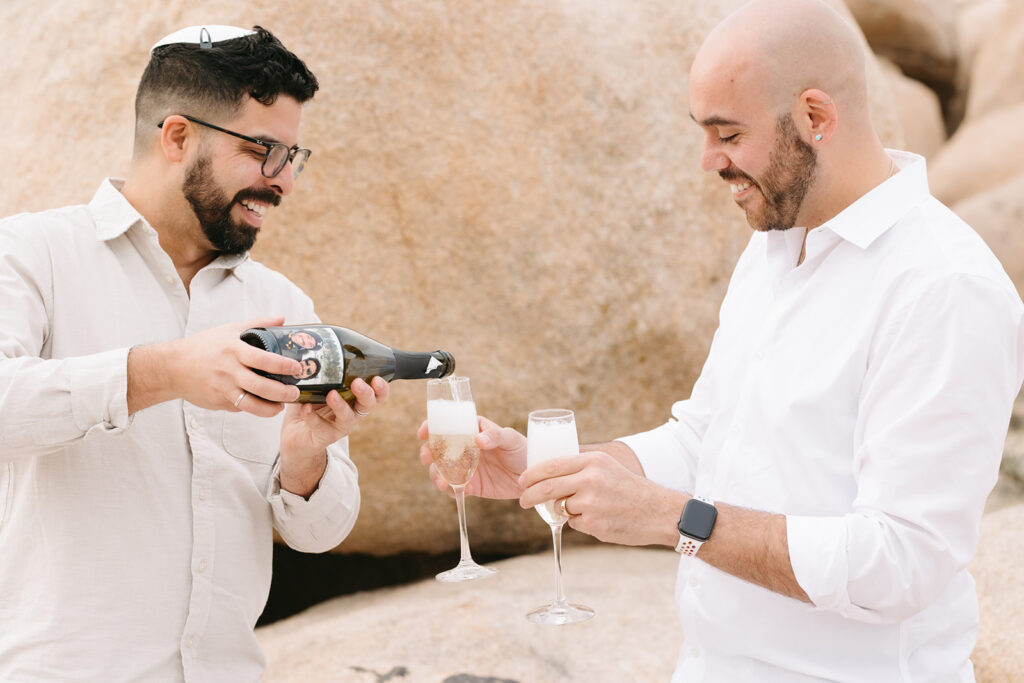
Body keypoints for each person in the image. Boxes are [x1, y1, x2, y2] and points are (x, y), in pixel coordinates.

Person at [419, 1, 1024, 680]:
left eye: (728, 134)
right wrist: (561, 467)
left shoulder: (944, 287)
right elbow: (707, 437)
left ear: (816, 117)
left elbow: (899, 562)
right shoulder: (775, 248)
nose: (708, 161)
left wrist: (678, 520)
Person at [0, 25, 388, 681]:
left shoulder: (285, 302)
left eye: (294, 155)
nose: (285, 182)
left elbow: (320, 531)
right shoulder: (31, 254)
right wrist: (166, 370)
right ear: (177, 137)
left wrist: (305, 458)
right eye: (263, 150)